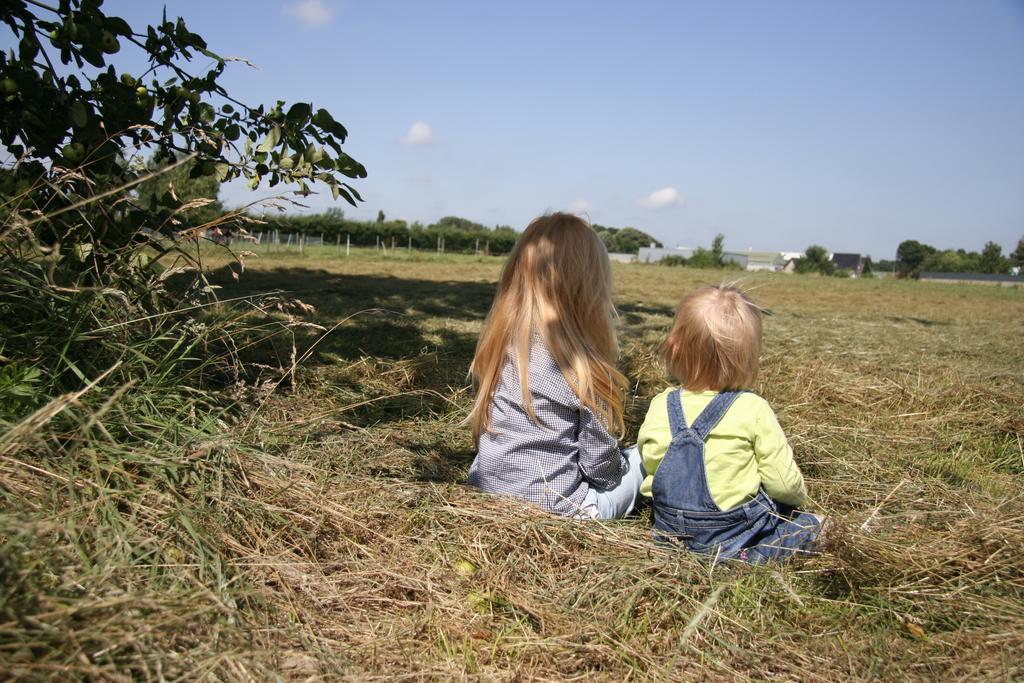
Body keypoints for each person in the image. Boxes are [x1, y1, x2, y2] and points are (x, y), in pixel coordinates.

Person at [466, 213, 645, 519]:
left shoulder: (502, 348)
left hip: (487, 489)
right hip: (560, 509)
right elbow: (601, 469)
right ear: (590, 291)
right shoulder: (582, 366)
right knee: (640, 460)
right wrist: (623, 463)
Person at [638, 284, 823, 563]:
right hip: (733, 531)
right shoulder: (753, 408)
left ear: (674, 347)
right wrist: (796, 501)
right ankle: (751, 555)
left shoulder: (660, 404)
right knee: (805, 523)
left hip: (668, 531)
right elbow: (783, 484)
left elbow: (651, 461)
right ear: (748, 358)